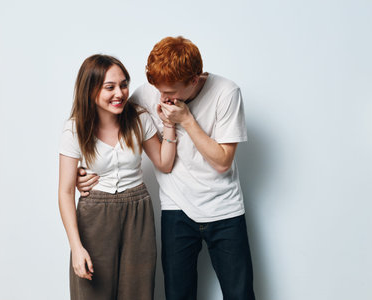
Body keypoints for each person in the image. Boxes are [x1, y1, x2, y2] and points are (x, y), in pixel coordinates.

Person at [78, 36, 256, 300]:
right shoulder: (145, 94)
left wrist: (186, 119)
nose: (162, 97)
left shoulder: (226, 93)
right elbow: (108, 124)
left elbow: (222, 161)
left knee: (239, 294)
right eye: (158, 89)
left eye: (170, 92)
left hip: (225, 209)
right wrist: (86, 174)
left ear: (194, 80)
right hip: (176, 209)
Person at [58, 54, 177, 300]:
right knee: (92, 292)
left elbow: (164, 163)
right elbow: (66, 192)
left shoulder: (138, 117)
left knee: (138, 291)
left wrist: (170, 124)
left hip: (138, 212)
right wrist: (76, 248)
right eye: (109, 87)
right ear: (90, 90)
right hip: (95, 216)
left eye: (123, 85)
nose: (120, 93)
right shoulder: (75, 128)